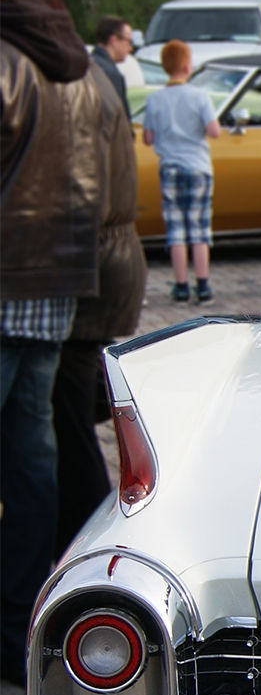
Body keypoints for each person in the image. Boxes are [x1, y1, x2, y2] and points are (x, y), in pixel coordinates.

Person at [0, 0, 107, 686]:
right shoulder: (78, 60)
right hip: (59, 276)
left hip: (6, 267)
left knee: (32, 458)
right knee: (32, 459)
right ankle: (16, 625)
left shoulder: (7, 55)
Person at [53, 28, 147, 558]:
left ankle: (90, 542)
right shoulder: (92, 76)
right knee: (70, 412)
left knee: (67, 421)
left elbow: (78, 191)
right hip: (105, 262)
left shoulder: (69, 82)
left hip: (85, 268)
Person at [142, 39, 221, 303]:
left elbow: (148, 138)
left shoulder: (154, 99)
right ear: (188, 66)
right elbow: (214, 131)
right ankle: (203, 284)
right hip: (198, 166)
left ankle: (180, 285)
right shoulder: (199, 96)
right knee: (200, 227)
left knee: (175, 228)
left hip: (169, 167)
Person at [91, 15, 133, 109]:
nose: (130, 48)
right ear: (113, 40)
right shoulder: (111, 74)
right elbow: (116, 116)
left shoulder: (83, 66)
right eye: (129, 41)